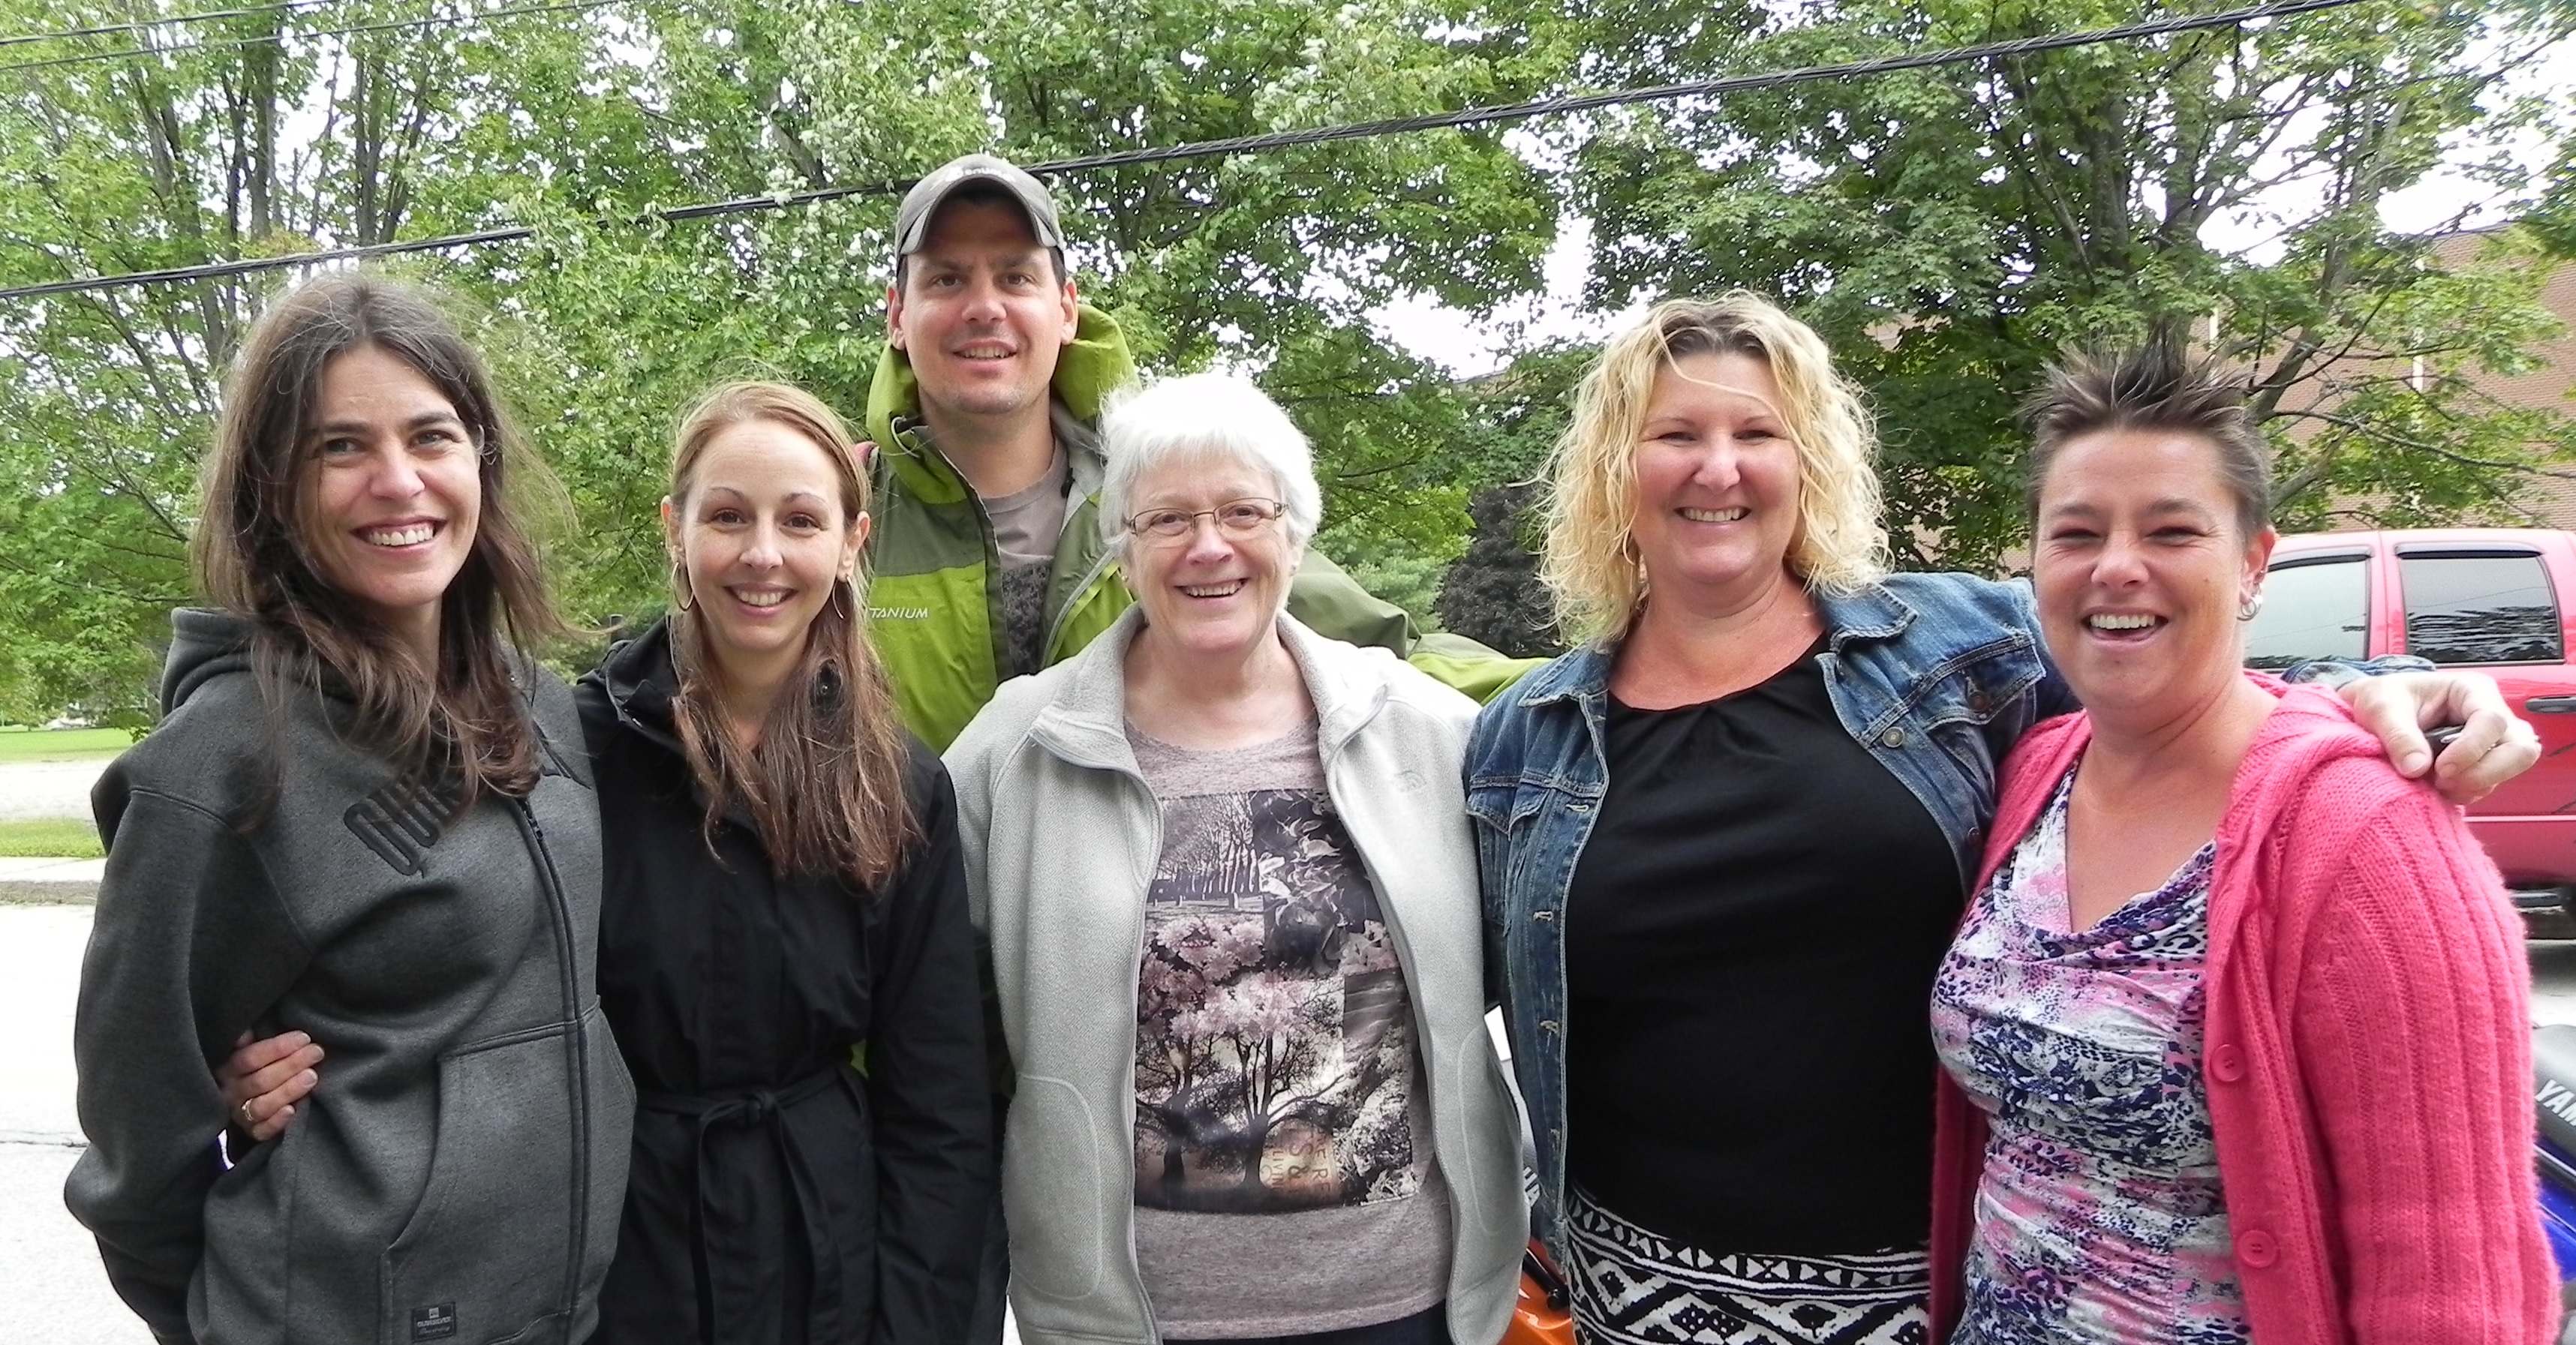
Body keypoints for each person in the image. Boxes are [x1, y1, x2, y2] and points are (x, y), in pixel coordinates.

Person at [1463, 293, 2540, 1345]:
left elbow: (2174, 670)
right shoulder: (1526, 736)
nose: (1719, 466)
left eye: (1757, 431)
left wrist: (2390, 688)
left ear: (1808, 463)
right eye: (1675, 434)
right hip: (1635, 1296)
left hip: (1932, 1288)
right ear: (1616, 468)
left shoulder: (1956, 650)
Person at [227, 381, 995, 1343]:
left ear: (851, 542)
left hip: (820, 1249)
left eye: (800, 519)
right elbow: (426, 965)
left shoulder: (896, 784)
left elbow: (940, 1107)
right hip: (607, 1248)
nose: (762, 553)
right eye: (727, 515)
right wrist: (278, 1060)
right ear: (675, 530)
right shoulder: (559, 751)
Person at [1925, 347, 2553, 1342]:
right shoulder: (2036, 771)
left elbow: (2449, 1278)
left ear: (2253, 561)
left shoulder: (2368, 836)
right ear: (2035, 562)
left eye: (2171, 530)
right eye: (2076, 532)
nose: (2116, 565)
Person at [67, 274, 635, 1345]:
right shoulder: (219, 769)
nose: (397, 481)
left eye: (430, 436)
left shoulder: (543, 708)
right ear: (273, 490)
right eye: (339, 448)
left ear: (478, 457)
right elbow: (140, 1144)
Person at [942, 371, 1528, 1345]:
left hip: (1402, 1303)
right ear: (1124, 550)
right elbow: (926, 999)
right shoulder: (1017, 749)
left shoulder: (1428, 732)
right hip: (1130, 1317)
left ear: (1295, 533)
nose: (1207, 546)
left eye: (1242, 511)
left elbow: (1526, 956)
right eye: (1166, 518)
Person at [861, 152, 1534, 752]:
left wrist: (1599, 698)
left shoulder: (1167, 494)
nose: (984, 307)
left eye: (1015, 278)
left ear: (1065, 308)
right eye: (946, 280)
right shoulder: (834, 516)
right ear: (896, 314)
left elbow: (1396, 654)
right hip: (905, 893)